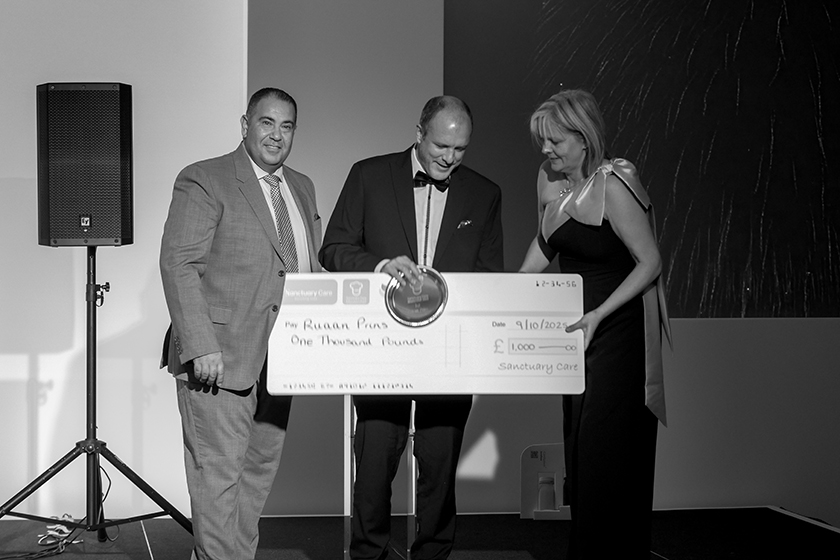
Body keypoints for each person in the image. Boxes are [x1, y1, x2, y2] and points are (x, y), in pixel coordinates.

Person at [319, 95, 504, 560]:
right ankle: (368, 553)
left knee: (441, 465)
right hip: (381, 346)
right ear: (419, 132)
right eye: (442, 145)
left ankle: (433, 555)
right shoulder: (368, 175)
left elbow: (488, 276)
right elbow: (333, 250)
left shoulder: (484, 194)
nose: (449, 157)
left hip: (449, 353)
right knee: (377, 458)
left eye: (460, 149)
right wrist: (379, 265)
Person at [159, 87, 321, 560]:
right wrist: (200, 344)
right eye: (266, 123)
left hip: (283, 359)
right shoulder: (205, 178)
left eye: (286, 126)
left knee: (255, 477)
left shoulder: (303, 186)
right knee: (218, 479)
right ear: (245, 123)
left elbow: (303, 267)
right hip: (219, 357)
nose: (276, 135)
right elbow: (179, 264)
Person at [519, 89, 671, 559]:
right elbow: (536, 260)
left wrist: (600, 316)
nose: (545, 150)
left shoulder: (615, 183)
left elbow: (650, 263)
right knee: (581, 452)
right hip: (577, 339)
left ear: (583, 139)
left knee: (606, 454)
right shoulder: (550, 185)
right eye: (542, 141)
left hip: (617, 336)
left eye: (554, 141)